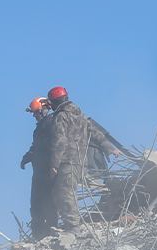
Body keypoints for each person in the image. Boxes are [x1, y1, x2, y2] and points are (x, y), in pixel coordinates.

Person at [45, 86, 116, 234]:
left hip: (67, 161)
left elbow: (59, 141)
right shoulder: (81, 116)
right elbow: (96, 133)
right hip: (80, 161)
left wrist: (54, 163)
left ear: (54, 102)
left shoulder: (61, 117)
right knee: (57, 192)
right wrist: (110, 148)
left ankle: (73, 227)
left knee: (66, 192)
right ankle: (69, 222)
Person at [21, 97, 58, 239]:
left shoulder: (53, 123)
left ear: (43, 108)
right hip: (39, 171)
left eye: (36, 112)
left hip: (49, 170)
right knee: (36, 203)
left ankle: (51, 231)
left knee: (49, 202)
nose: (35, 116)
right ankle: (38, 234)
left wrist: (53, 164)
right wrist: (28, 157)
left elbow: (56, 145)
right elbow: (36, 146)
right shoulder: (40, 127)